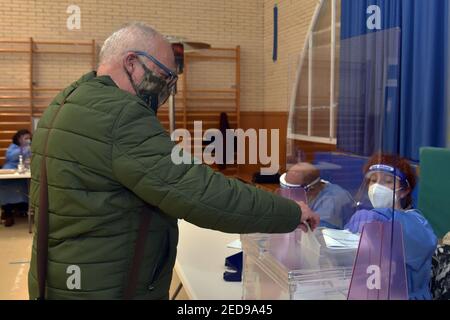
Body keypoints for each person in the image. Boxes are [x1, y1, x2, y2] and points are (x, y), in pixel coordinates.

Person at [28, 22, 320, 300]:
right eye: (163, 77)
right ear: (131, 62)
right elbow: (201, 193)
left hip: (61, 278)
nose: (165, 90)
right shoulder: (120, 116)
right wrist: (289, 212)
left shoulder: (65, 102)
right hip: (107, 286)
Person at [345, 153, 438, 300]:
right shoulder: (366, 218)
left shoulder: (416, 222)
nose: (377, 187)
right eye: (373, 180)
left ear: (405, 191)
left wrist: (382, 216)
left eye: (388, 181)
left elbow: (421, 240)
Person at [280, 162, 355, 229]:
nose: (290, 195)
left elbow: (317, 232)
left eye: (293, 191)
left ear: (311, 188)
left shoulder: (332, 201)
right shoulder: (315, 190)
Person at [0, 129, 32, 227]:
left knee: (25, 188)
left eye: (29, 138)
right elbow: (11, 157)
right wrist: (23, 149)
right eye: (25, 138)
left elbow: (30, 158)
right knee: (7, 188)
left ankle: (22, 209)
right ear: (19, 139)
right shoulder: (13, 147)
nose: (28, 140)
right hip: (10, 171)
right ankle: (8, 213)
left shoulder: (29, 148)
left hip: (23, 173)